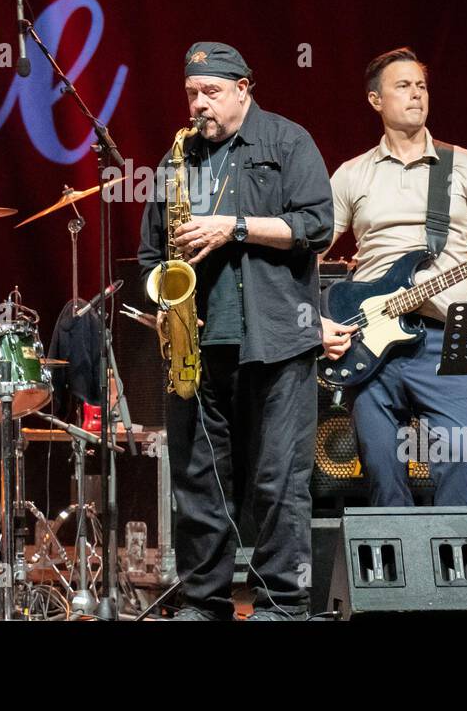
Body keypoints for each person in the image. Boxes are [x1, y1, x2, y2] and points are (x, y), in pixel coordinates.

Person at [138, 42, 333, 620]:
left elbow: (317, 225)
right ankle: (204, 602)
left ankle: (281, 604)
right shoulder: (176, 159)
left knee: (277, 483)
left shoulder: (288, 141)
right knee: (200, 486)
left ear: (244, 87)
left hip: (276, 341)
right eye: (192, 94)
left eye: (211, 92)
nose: (199, 104)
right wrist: (163, 304)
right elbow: (152, 253)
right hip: (198, 347)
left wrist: (236, 227)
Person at [321, 47, 467, 508]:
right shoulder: (351, 174)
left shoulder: (465, 165)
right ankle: (397, 577)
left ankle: (459, 575)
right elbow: (307, 251)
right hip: (371, 339)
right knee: (382, 464)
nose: (416, 95)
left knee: (461, 459)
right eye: (402, 86)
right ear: (375, 101)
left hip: (445, 338)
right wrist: (318, 321)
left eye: (421, 86)